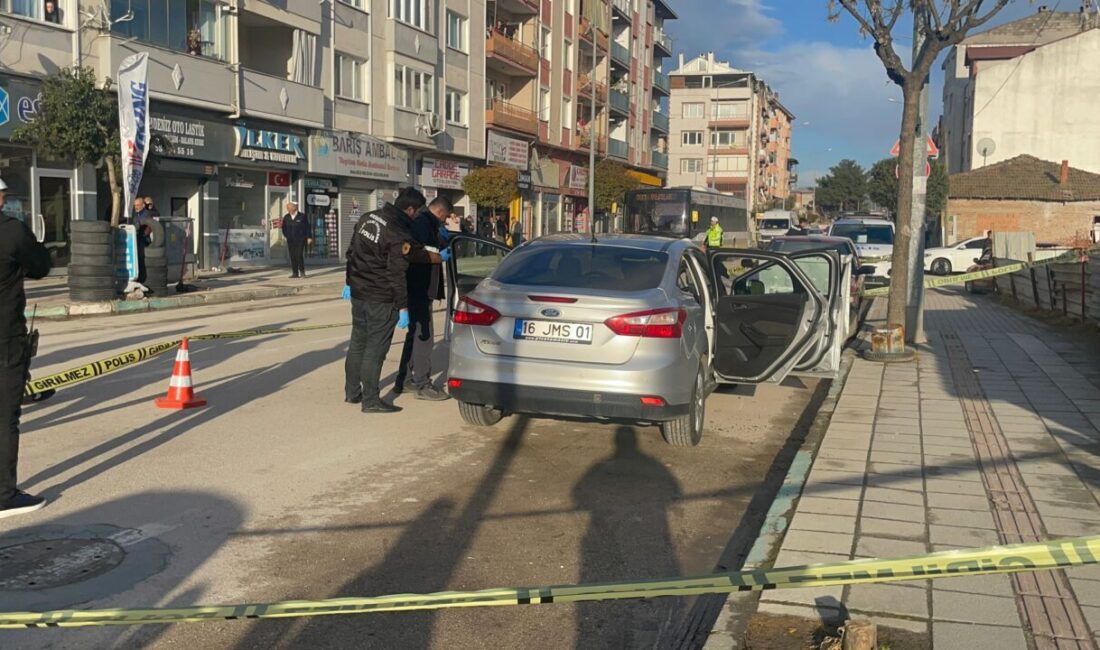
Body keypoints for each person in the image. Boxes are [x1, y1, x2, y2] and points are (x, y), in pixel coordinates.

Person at [344, 187, 438, 414]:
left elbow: (351, 253)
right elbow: (397, 274)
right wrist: (403, 306)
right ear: (410, 209)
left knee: (357, 342)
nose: (417, 217)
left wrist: (349, 281)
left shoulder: (368, 217)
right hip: (380, 296)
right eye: (417, 213)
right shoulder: (397, 233)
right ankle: (371, 400)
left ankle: (352, 392)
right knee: (375, 349)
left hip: (359, 292)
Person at [0, 178, 52, 518]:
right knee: (5, 417)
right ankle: (4, 495)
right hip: (4, 339)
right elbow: (42, 266)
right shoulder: (12, 231)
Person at [394, 196, 453, 401]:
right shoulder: (422, 223)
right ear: (440, 212)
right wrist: (440, 255)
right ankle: (422, 383)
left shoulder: (427, 223)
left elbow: (432, 245)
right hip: (419, 286)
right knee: (424, 337)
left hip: (420, 287)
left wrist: (444, 239)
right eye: (445, 218)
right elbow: (416, 252)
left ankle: (405, 379)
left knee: (416, 335)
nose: (445, 222)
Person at [280, 199, 312, 279]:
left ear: (295, 208)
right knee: (293, 256)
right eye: (288, 209)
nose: (289, 210)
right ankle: (295, 273)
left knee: (299, 255)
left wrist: (309, 237)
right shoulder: (286, 217)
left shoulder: (302, 216)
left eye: (290, 208)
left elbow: (307, 227)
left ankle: (302, 272)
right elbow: (283, 228)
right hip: (290, 239)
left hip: (300, 239)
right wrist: (286, 235)